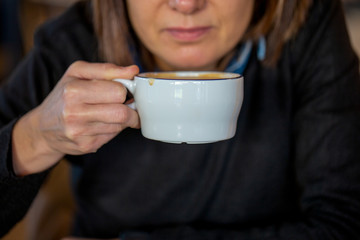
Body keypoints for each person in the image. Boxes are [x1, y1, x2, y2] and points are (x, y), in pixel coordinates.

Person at [1, 0, 360, 239]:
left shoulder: (306, 25)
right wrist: (34, 139)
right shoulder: (74, 40)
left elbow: (344, 221)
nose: (186, 5)